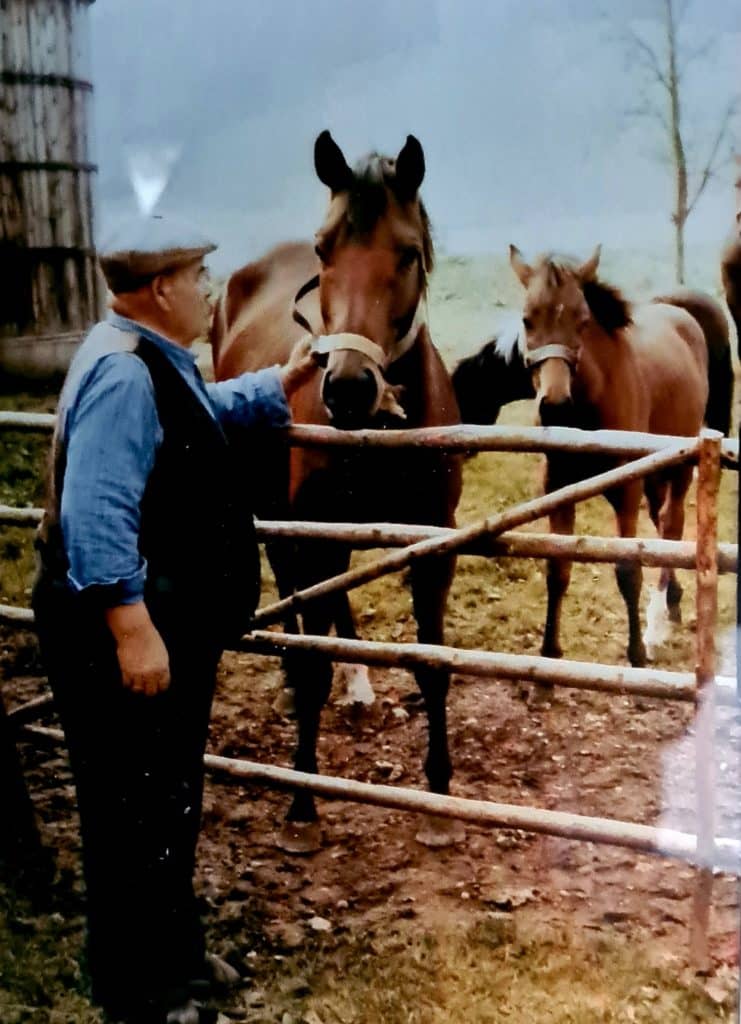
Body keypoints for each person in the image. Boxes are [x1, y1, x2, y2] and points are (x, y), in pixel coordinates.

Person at [32, 215, 314, 1024]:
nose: (206, 289)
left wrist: (276, 385)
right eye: (196, 276)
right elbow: (94, 516)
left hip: (158, 626)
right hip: (123, 634)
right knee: (129, 814)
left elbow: (193, 416)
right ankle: (138, 993)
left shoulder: (145, 358)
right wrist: (130, 625)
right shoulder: (125, 377)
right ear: (161, 290)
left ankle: (174, 958)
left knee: (165, 801)